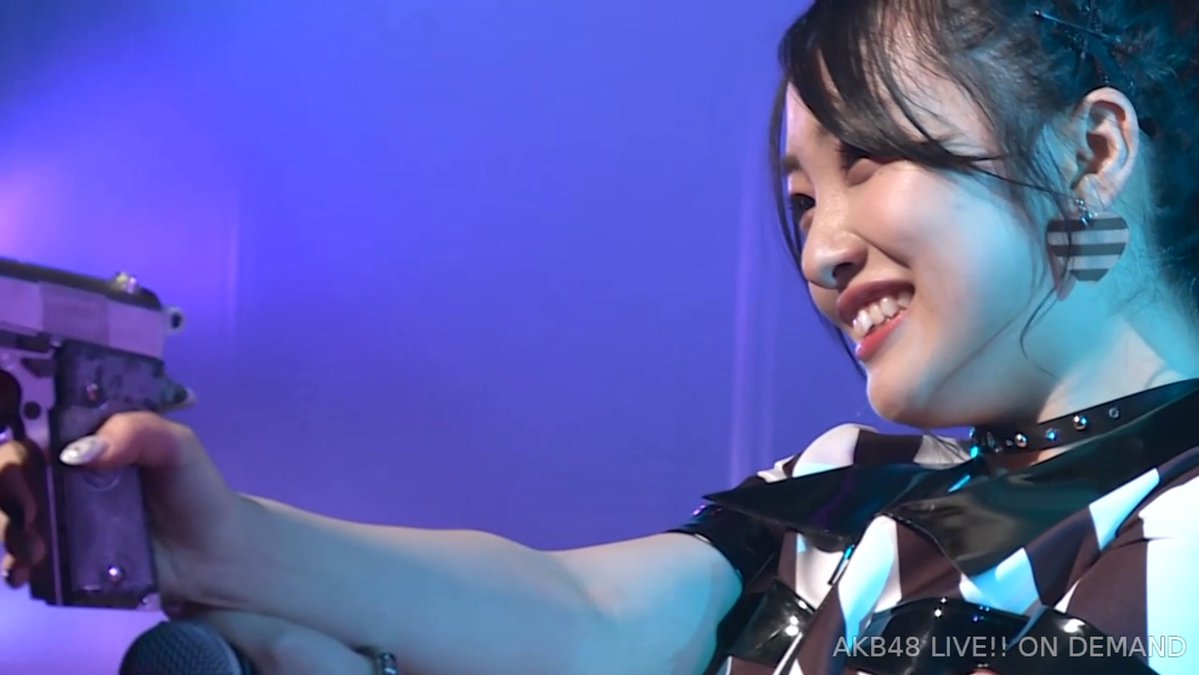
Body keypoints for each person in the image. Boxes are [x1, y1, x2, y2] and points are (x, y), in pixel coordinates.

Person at [4, 0, 1199, 672]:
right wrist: (215, 546)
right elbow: (587, 613)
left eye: (867, 161)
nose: (821, 250)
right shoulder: (848, 482)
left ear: (1090, 151)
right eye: (798, 202)